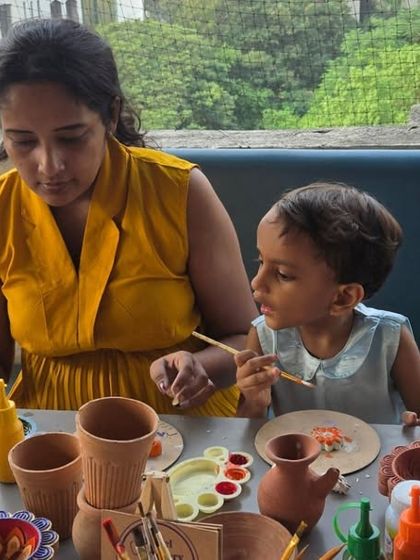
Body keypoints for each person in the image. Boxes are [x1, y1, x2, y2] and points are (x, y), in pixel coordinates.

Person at [0, 18, 257, 415]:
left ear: (111, 115)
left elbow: (245, 338)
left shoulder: (179, 192)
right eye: (22, 141)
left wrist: (201, 367)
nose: (49, 166)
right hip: (53, 432)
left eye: (71, 138)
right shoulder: (3, 208)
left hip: (182, 427)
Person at [235, 182, 420, 423]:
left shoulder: (391, 339)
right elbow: (245, 432)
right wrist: (254, 402)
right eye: (261, 262)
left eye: (283, 274)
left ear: (344, 297)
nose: (256, 283)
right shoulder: (262, 337)